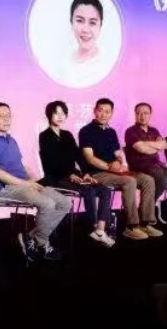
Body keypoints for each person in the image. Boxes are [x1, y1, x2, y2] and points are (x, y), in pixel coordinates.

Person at [0, 102, 72, 261]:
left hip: (24, 184)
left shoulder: (11, 140)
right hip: (4, 188)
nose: (6, 119)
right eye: (1, 116)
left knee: (65, 203)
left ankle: (31, 237)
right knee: (47, 203)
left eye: (8, 116)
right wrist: (27, 184)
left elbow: (22, 166)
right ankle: (42, 243)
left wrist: (35, 179)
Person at [79, 98, 162, 240]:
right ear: (94, 111)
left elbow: (118, 153)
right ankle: (131, 227)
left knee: (148, 180)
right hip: (97, 173)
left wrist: (120, 163)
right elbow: (90, 158)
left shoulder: (111, 132)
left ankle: (145, 223)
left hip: (114, 171)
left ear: (111, 113)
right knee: (129, 181)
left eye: (107, 111)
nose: (103, 114)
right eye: (100, 110)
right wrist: (110, 167)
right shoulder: (86, 131)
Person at [38, 101, 115, 247]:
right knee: (88, 190)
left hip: (73, 175)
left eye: (63, 113)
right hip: (56, 177)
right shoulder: (44, 136)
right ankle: (93, 227)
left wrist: (85, 173)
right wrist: (70, 174)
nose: (60, 116)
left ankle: (100, 231)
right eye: (56, 113)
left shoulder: (67, 135)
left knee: (104, 190)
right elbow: (51, 161)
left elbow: (78, 156)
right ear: (49, 115)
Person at [124, 103, 167, 222]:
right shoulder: (130, 131)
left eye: (146, 113)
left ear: (150, 115)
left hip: (156, 163)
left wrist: (146, 144)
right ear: (135, 114)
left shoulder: (154, 130)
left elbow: (164, 145)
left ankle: (166, 207)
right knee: (163, 181)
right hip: (140, 166)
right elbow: (142, 149)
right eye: (139, 113)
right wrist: (154, 146)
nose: (142, 116)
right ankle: (146, 210)